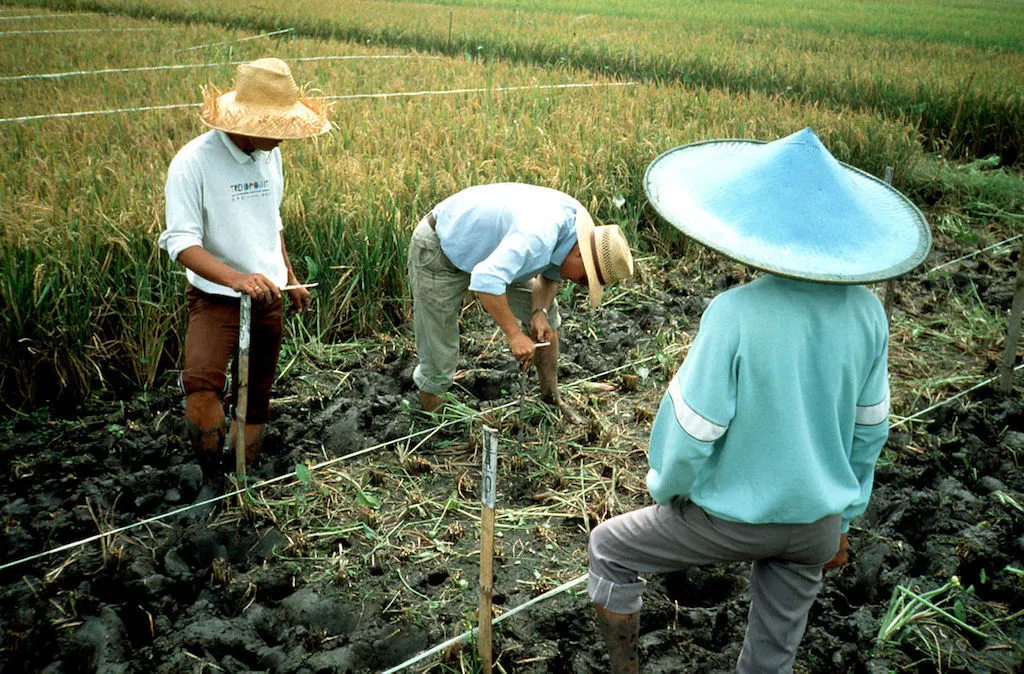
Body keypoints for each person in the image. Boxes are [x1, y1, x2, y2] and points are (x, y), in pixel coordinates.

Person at [588, 128, 932, 672]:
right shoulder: (869, 313)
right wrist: (842, 523)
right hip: (816, 524)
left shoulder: (735, 312)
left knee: (610, 548)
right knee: (769, 661)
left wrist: (668, 490)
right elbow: (871, 432)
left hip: (729, 520)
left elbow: (694, 429)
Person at [158, 57, 331, 484]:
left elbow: (271, 221)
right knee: (202, 386)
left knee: (256, 398)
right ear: (245, 119)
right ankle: (211, 479)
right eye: (275, 128)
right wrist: (236, 279)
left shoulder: (270, 155)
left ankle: (242, 481)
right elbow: (180, 242)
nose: (283, 138)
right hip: (216, 298)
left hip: (268, 296)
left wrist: (288, 277)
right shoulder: (193, 162)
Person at [409, 183, 635, 417]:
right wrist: (515, 335)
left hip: (494, 250)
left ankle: (551, 400)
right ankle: (437, 423)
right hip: (442, 246)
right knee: (439, 346)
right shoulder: (537, 237)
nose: (579, 285)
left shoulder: (575, 232)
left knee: (549, 320)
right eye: (584, 280)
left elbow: (549, 275)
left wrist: (539, 312)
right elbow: (486, 281)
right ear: (581, 256)